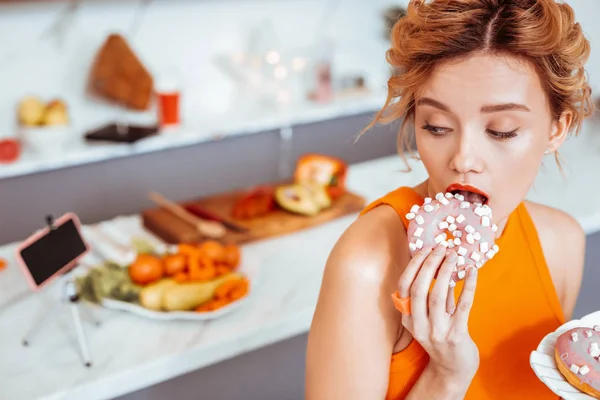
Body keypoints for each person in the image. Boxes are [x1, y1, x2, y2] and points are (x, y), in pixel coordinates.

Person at [305, 0, 593, 399]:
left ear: (556, 129)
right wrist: (446, 376)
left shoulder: (561, 242)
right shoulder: (369, 264)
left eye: (502, 130)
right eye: (436, 126)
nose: (463, 159)